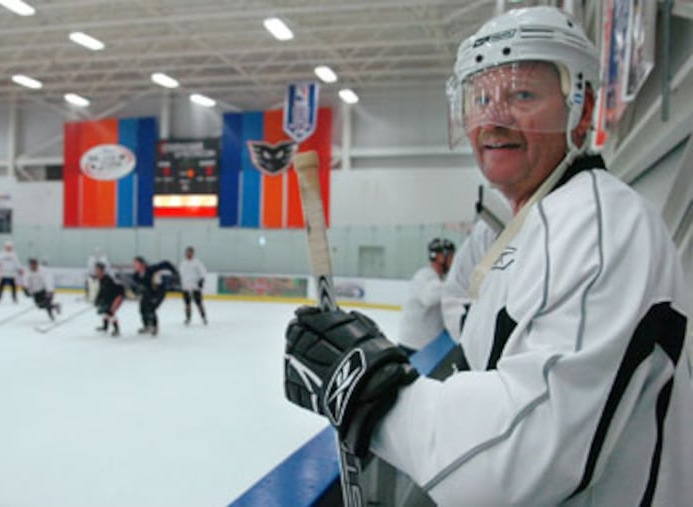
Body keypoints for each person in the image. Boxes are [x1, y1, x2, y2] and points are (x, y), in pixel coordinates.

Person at [282, 7, 692, 506]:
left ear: (581, 110)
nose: (494, 117)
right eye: (480, 97)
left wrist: (371, 394)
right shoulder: (532, 228)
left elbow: (517, 462)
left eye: (522, 94)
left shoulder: (599, 228)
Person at [396, 238, 455, 355]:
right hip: (413, 347)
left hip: (430, 346)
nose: (453, 260)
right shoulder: (424, 276)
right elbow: (429, 297)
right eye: (450, 256)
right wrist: (457, 285)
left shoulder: (440, 279)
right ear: (439, 257)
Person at [131, 256, 178, 336]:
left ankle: (154, 326)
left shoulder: (151, 269)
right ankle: (147, 326)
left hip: (159, 292)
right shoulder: (136, 275)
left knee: (151, 308)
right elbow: (134, 287)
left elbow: (166, 263)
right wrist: (137, 291)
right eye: (134, 264)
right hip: (147, 293)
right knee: (142, 308)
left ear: (142, 264)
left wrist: (175, 273)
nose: (134, 266)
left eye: (136, 264)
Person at [93, 262, 125, 337]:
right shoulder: (101, 279)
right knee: (106, 311)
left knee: (110, 311)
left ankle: (117, 330)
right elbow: (101, 291)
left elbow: (110, 293)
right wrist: (97, 300)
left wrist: (103, 302)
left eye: (97, 270)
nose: (95, 272)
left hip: (117, 296)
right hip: (111, 297)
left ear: (101, 271)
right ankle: (105, 327)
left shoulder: (107, 279)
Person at [178, 246, 208, 325]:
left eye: (190, 252)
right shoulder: (183, 263)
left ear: (193, 253)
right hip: (185, 286)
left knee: (199, 303)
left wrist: (201, 280)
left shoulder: (197, 263)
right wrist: (179, 281)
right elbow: (180, 274)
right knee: (187, 303)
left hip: (195, 286)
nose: (188, 254)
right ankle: (188, 318)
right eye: (187, 252)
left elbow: (203, 272)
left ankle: (203, 317)